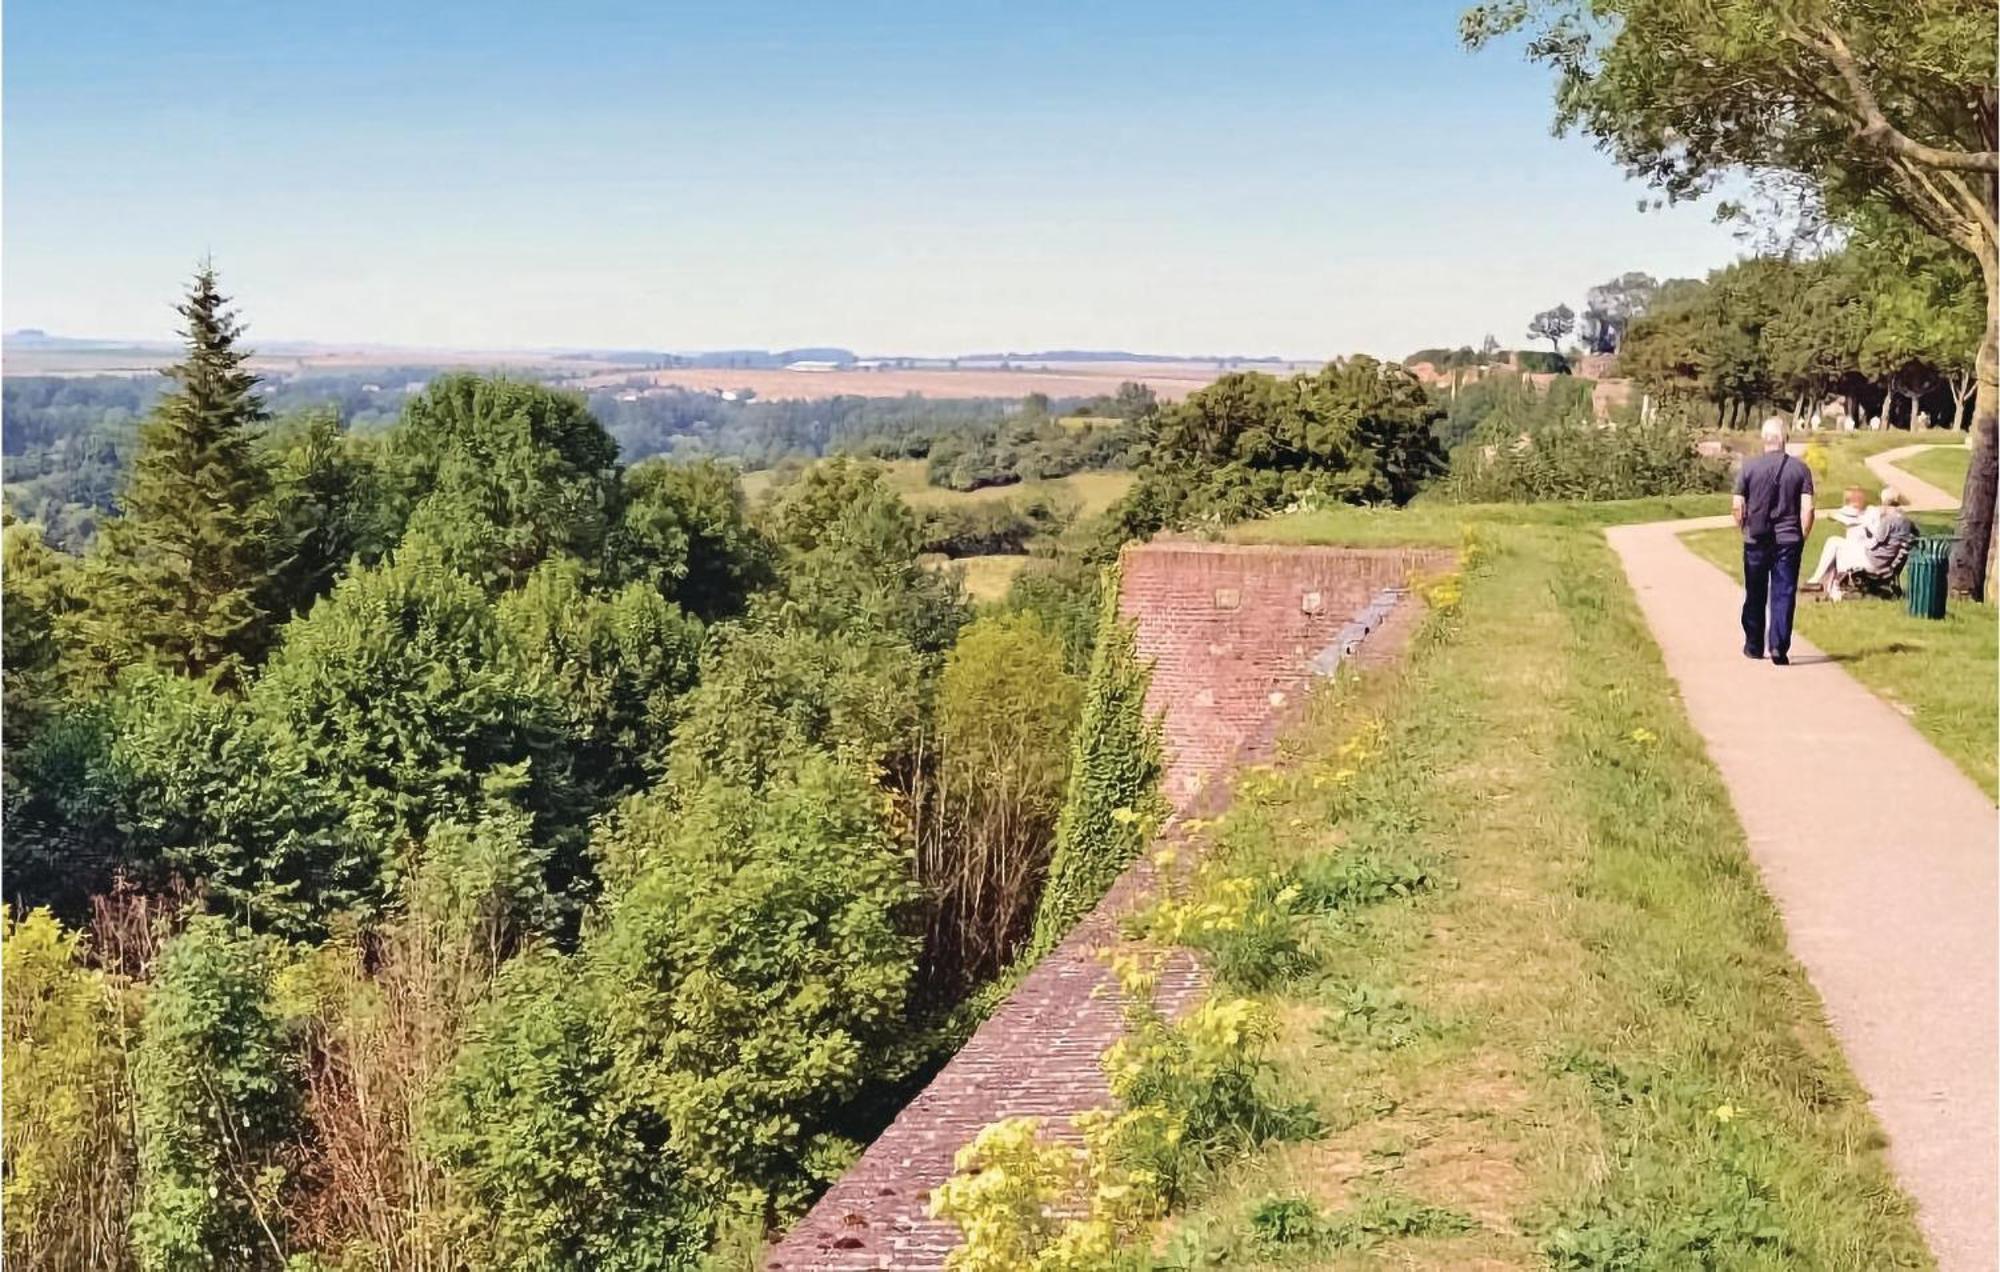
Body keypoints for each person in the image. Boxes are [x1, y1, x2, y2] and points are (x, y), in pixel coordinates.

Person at [1732, 417, 1814, 665]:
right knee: (1783, 593)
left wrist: (1743, 529)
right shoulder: (1800, 469)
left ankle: (1754, 645)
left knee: (1755, 592)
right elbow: (1807, 510)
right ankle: (1778, 647)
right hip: (1788, 540)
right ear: (1785, 439)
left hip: (1755, 539)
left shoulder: (1748, 467)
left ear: (1764, 439)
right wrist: (1802, 536)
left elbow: (1737, 506)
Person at [1806, 486, 1877, 597]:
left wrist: (1860, 522)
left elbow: (1874, 535)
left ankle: (1817, 579)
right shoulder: (1848, 511)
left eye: (1854, 498)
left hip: (1865, 553)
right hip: (1853, 551)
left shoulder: (1872, 511)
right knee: (1834, 544)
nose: (1853, 502)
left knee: (1833, 542)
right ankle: (1820, 581)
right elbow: (1835, 516)